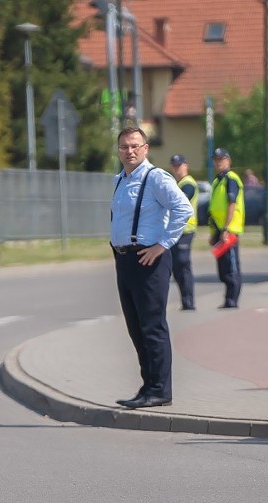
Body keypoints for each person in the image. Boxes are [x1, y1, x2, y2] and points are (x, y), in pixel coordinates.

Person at [110, 127, 193, 409]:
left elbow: (183, 209)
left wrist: (163, 244)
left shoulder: (155, 177)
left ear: (145, 148)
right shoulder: (120, 179)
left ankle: (160, 390)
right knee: (136, 327)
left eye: (134, 146)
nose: (129, 151)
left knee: (152, 326)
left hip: (150, 260)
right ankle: (148, 387)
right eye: (123, 147)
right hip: (126, 260)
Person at [208, 148, 244, 309]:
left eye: (221, 159)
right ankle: (228, 298)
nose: (218, 162)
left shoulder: (231, 179)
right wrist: (214, 232)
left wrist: (226, 228)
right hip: (219, 229)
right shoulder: (218, 180)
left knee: (231, 266)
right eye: (215, 159)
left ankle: (232, 299)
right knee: (223, 267)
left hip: (229, 229)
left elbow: (232, 204)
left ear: (228, 160)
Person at [168, 154, 198, 310]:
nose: (177, 169)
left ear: (185, 165)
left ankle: (189, 302)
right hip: (176, 231)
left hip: (186, 230)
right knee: (177, 268)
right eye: (174, 166)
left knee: (183, 264)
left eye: (179, 165)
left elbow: (180, 202)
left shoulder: (188, 184)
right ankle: (185, 301)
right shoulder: (177, 184)